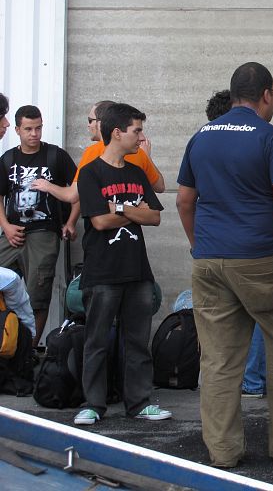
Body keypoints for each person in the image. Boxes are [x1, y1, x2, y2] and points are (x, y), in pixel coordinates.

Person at [176, 62, 273, 466]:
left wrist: (198, 245)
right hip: (260, 259)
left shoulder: (200, 137)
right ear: (267, 94)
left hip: (209, 261)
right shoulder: (269, 136)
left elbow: (185, 201)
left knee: (219, 361)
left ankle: (223, 453)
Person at [73, 103, 171, 426]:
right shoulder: (90, 173)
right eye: (137, 131)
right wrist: (133, 209)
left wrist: (122, 208)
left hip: (138, 271)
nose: (141, 138)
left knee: (137, 341)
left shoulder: (136, 172)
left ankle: (139, 402)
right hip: (102, 272)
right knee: (97, 339)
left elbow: (154, 216)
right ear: (117, 133)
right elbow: (99, 221)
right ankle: (93, 404)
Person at [0, 105, 80, 347]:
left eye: (38, 128)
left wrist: (71, 222)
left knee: (38, 296)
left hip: (44, 232)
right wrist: (5, 226)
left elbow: (80, 191)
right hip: (12, 231)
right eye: (28, 129)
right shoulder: (8, 159)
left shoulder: (56, 155)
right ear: (17, 130)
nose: (34, 134)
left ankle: (28, 353)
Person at [33, 100, 165, 205]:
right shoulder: (139, 153)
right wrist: (147, 157)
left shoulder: (93, 152)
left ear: (101, 123)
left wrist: (48, 186)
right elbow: (160, 187)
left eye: (91, 120)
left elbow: (72, 195)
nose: (89, 125)